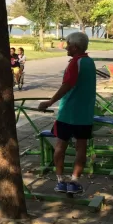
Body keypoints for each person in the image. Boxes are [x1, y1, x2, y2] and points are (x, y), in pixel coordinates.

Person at [37, 32, 96, 195]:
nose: (66, 48)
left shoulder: (75, 62)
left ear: (75, 47)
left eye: (68, 45)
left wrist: (50, 102)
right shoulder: (90, 62)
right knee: (81, 147)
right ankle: (75, 181)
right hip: (85, 114)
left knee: (60, 146)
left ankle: (60, 180)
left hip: (68, 113)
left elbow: (67, 85)